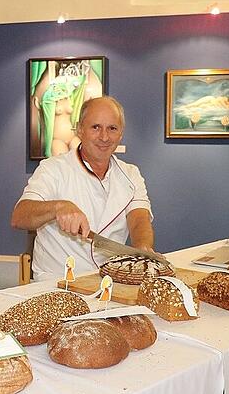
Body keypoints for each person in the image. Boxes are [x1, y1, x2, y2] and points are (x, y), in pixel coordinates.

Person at [11, 96, 156, 280]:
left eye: (112, 128)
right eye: (95, 127)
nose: (104, 137)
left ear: (121, 134)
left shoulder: (131, 174)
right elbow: (19, 216)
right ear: (80, 129)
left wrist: (143, 248)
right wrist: (58, 207)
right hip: (57, 281)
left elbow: (139, 219)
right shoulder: (53, 168)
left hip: (109, 280)